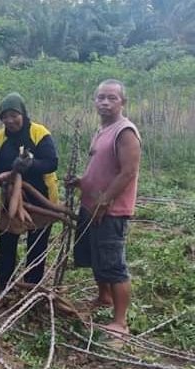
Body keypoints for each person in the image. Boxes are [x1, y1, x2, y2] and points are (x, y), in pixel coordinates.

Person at [69, 79, 141, 338]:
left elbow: (128, 171)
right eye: (101, 98)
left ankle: (120, 322)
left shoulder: (125, 131)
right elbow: (101, 167)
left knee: (113, 263)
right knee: (95, 257)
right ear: (94, 101)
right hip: (91, 205)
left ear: (123, 102)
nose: (105, 102)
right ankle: (104, 297)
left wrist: (105, 200)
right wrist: (82, 182)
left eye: (112, 98)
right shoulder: (102, 130)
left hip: (111, 210)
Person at [0, 92, 59, 292]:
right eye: (5, 116)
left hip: (41, 199)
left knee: (37, 246)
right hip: (12, 198)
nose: (10, 120)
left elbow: (52, 162)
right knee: (7, 244)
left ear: (23, 113)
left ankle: (32, 288)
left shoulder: (39, 133)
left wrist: (30, 164)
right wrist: (2, 175)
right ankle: (3, 286)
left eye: (14, 115)